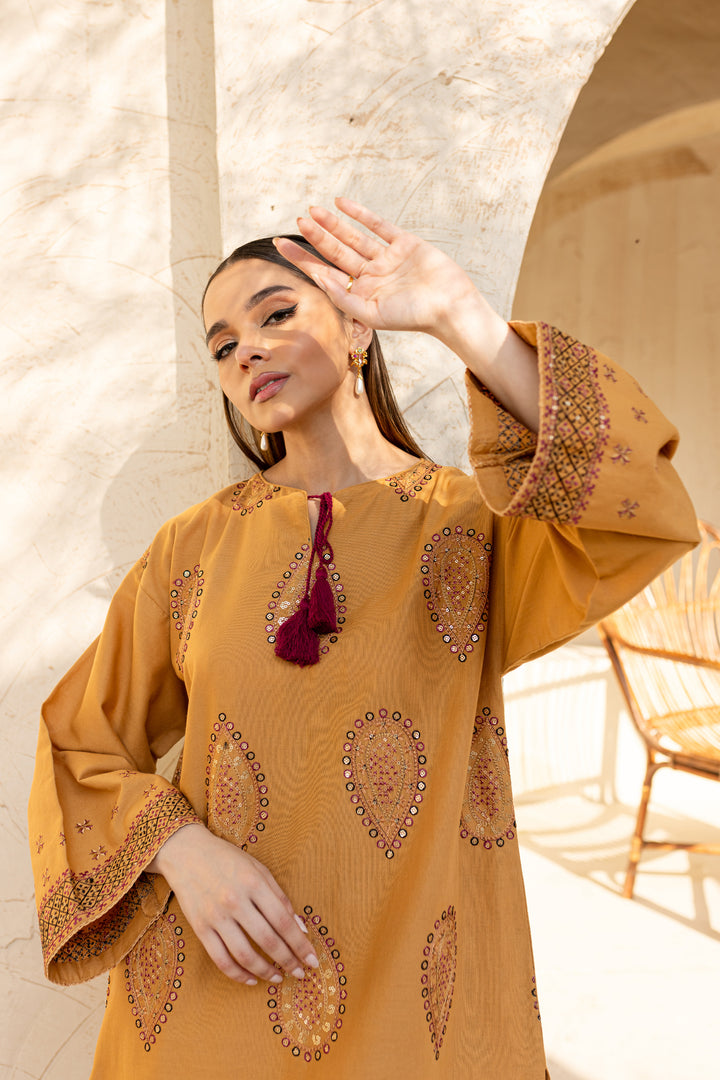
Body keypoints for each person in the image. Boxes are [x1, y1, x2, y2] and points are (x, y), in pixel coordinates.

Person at [29, 198, 698, 1079]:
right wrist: (182, 851)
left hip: (421, 997)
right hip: (214, 988)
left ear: (355, 329)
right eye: (223, 346)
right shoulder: (192, 547)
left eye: (275, 314)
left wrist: (464, 321)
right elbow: (81, 740)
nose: (247, 352)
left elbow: (636, 508)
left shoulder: (475, 525)